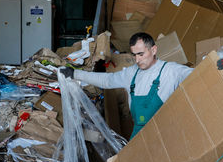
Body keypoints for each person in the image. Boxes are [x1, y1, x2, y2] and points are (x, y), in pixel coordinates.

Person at [59, 32, 197, 138]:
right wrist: (75, 74)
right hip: (138, 137)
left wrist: (218, 64)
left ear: (153, 50)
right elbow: (107, 80)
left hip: (166, 138)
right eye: (134, 55)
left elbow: (199, 73)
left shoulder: (172, 71)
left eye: (141, 54)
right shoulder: (132, 73)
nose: (137, 60)